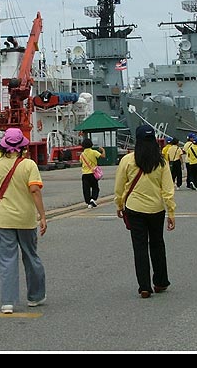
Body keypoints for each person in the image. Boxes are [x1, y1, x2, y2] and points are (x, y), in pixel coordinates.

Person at [0, 128, 47, 315]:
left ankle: (8, 302)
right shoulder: (29, 165)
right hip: (26, 217)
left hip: (3, 218)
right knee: (31, 256)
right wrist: (42, 215)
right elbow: (35, 190)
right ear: (22, 147)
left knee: (7, 260)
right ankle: (35, 296)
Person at [115, 124, 176, 298]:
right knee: (157, 245)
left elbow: (119, 186)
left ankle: (144, 286)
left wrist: (119, 204)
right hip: (156, 209)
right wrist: (171, 212)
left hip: (134, 208)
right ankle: (161, 282)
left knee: (139, 247)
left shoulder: (127, 160)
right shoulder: (161, 162)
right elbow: (168, 189)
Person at [79, 138, 106, 208]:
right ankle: (93, 199)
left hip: (85, 174)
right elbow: (103, 156)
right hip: (93, 173)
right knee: (95, 187)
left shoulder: (82, 155)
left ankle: (89, 202)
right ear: (91, 144)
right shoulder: (93, 152)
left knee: (86, 189)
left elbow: (81, 162)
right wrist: (103, 150)